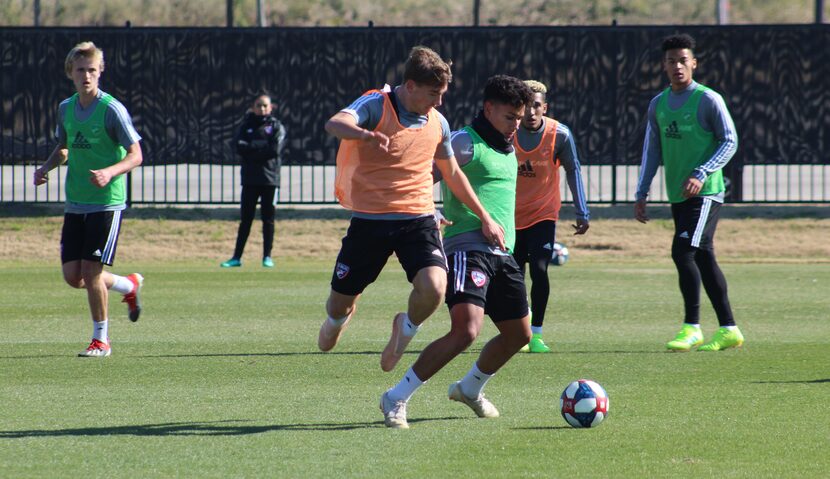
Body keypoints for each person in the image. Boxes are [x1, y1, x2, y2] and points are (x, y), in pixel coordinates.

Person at [318, 46, 504, 376]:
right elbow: (335, 123)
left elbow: (453, 174)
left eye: (443, 93)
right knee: (336, 309)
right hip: (370, 221)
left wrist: (485, 217)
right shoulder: (377, 104)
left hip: (418, 218)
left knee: (435, 287)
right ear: (411, 86)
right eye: (434, 93)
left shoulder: (439, 122)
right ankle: (338, 318)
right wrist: (365, 134)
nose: (440, 102)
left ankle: (404, 330)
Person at [380, 75, 534, 429]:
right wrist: (429, 211)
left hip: (503, 254)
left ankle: (469, 388)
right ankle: (396, 396)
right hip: (468, 248)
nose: (515, 126)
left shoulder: (507, 146)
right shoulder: (466, 142)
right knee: (466, 330)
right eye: (509, 117)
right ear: (489, 109)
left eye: (519, 118)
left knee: (519, 335)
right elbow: (419, 176)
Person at [32, 41, 144, 357]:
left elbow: (136, 155)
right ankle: (127, 285)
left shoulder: (112, 110)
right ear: (71, 72)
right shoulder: (66, 108)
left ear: (100, 72)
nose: (87, 76)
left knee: (92, 273)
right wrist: (45, 167)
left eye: (92, 70)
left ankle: (101, 340)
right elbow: (65, 147)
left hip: (106, 202)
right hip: (76, 202)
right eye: (81, 70)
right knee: (74, 277)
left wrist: (110, 172)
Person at [635, 33, 743, 352]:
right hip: (678, 194)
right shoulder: (658, 104)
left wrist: (702, 171)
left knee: (682, 251)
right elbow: (651, 150)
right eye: (671, 61)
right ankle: (729, 329)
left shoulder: (709, 99)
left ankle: (691, 327)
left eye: (683, 60)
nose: (677, 66)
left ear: (693, 63)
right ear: (664, 65)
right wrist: (642, 192)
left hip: (706, 192)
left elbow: (729, 141)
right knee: (704, 257)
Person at [512, 80, 590, 353]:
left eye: (536, 105)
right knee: (514, 275)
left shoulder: (560, 135)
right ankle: (519, 330)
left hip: (543, 214)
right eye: (525, 105)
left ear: (545, 107)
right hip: (510, 216)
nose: (531, 111)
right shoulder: (507, 132)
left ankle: (536, 334)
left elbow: (573, 170)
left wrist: (582, 211)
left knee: (540, 269)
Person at [221, 92, 286, 268]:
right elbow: (238, 147)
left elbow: (274, 150)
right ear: (253, 107)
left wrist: (252, 149)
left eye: (265, 105)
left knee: (268, 219)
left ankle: (267, 256)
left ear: (271, 107)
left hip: (270, 179)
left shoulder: (276, 126)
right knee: (246, 219)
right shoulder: (246, 126)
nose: (262, 108)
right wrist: (259, 148)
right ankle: (236, 257)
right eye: (259, 105)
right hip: (249, 179)